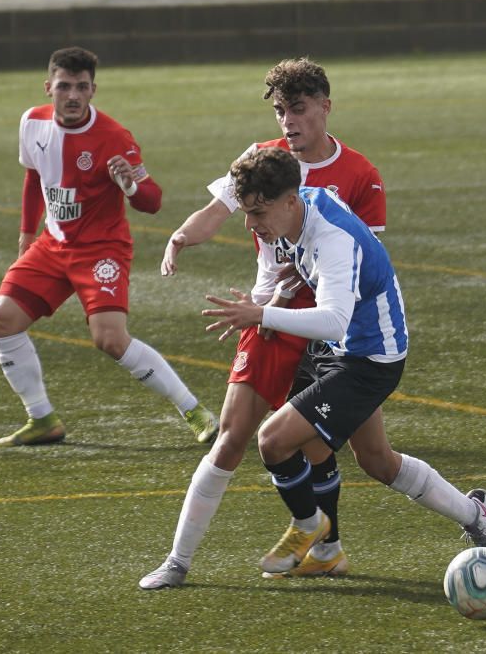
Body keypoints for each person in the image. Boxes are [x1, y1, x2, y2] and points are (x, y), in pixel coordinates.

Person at [200, 147, 486, 577]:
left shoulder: (332, 238)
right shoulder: (300, 207)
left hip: (370, 358)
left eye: (257, 213)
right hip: (346, 348)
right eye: (247, 214)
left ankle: (309, 526)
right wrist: (279, 294)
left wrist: (260, 314)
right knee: (378, 461)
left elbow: (332, 319)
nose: (251, 225)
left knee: (272, 440)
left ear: (289, 202)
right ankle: (476, 515)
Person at [139, 59, 386, 589]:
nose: (288, 123)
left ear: (325, 105)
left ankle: (332, 547)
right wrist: (181, 237)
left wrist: (302, 285)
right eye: (280, 112)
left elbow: (368, 256)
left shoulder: (360, 175)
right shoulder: (262, 160)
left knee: (368, 457)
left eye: (297, 110)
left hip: (333, 329)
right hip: (268, 319)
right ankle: (178, 561)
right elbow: (215, 210)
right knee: (231, 437)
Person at [0, 47, 217, 448]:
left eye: (81, 87)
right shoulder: (32, 122)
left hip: (101, 249)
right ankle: (42, 419)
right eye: (63, 86)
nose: (72, 95)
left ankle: (195, 411)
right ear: (48, 88)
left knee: (109, 339)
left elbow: (153, 200)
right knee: (3, 321)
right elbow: (32, 177)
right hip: (52, 244)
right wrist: (27, 232)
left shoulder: (114, 137)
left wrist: (129, 186)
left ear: (93, 90)